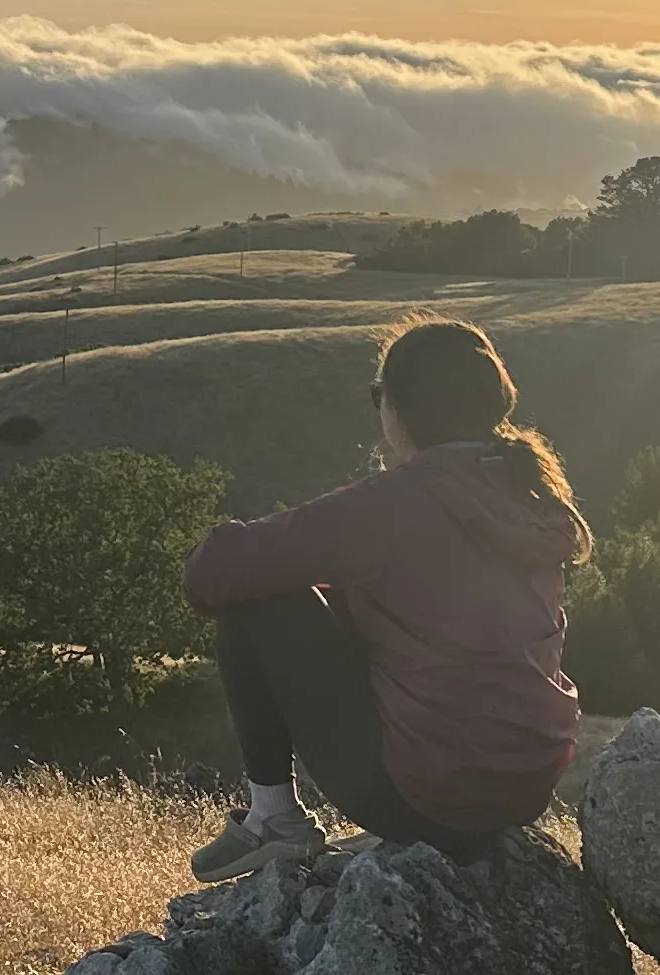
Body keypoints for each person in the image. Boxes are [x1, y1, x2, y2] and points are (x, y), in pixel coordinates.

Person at [179, 317, 593, 880]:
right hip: (525, 790)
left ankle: (273, 820)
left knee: (261, 600)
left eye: (379, 397)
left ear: (399, 407)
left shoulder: (394, 501)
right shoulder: (530, 493)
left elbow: (213, 572)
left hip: (425, 798)